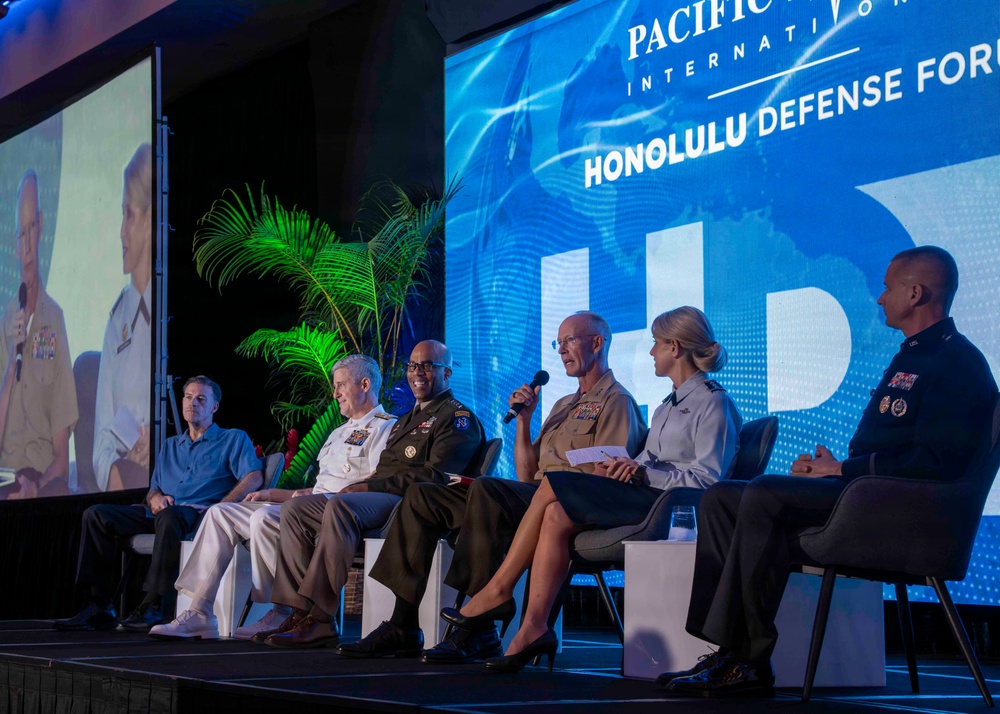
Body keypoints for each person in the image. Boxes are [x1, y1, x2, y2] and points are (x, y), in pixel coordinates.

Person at [661, 246, 998, 698]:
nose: (879, 299)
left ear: (915, 293)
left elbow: (938, 462)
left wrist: (843, 469)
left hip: (906, 513)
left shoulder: (955, 362)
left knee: (763, 493)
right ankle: (728, 650)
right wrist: (831, 469)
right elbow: (897, 447)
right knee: (722, 497)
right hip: (867, 491)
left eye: (887, 288)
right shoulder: (914, 355)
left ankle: (748, 658)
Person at [337, 311, 646, 661]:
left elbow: (604, 473)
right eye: (558, 343)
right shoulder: (563, 405)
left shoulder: (616, 401)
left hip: (568, 504)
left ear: (598, 342)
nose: (561, 350)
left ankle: (479, 627)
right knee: (422, 495)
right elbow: (528, 474)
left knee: (486, 489)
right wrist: (525, 422)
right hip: (536, 496)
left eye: (570, 341)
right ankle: (403, 623)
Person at [447, 306, 742, 672]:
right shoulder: (667, 407)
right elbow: (646, 461)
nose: (650, 351)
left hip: (667, 506)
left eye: (656, 344)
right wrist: (623, 466)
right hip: (642, 492)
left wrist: (642, 474)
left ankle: (499, 589)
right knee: (554, 512)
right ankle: (533, 628)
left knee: (553, 483)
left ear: (676, 348)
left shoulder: (715, 402)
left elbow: (709, 480)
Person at [254, 340, 486, 649]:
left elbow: (438, 476)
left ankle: (321, 619)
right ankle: (300, 611)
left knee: (340, 506)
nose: (417, 373)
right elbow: (384, 467)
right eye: (412, 366)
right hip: (381, 497)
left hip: (412, 504)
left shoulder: (457, 418)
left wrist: (368, 486)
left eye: (427, 365)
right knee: (295, 511)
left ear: (446, 373)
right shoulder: (406, 420)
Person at [148, 355, 396, 640]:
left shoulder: (385, 428)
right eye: (334, 386)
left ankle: (279, 610)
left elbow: (373, 485)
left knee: (264, 516)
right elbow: (313, 489)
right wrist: (273, 493)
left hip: (336, 515)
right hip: (306, 507)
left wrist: (309, 498)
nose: (335, 393)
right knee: (221, 512)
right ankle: (201, 611)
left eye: (340, 385)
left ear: (364, 384)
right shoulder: (338, 432)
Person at [53, 376, 263, 632]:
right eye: (188, 397)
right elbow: (155, 488)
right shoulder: (170, 446)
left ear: (214, 407)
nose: (192, 403)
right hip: (161, 513)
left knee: (171, 516)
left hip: (194, 514)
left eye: (201, 399)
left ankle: (156, 604)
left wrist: (220, 507)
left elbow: (254, 476)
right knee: (96, 515)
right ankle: (99, 605)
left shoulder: (232, 439)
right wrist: (154, 498)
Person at [0, 170, 78, 500]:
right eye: (21, 233)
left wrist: (37, 488)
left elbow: (62, 458)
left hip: (39, 480)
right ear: (15, 244)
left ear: (42, 228)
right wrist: (11, 365)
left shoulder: (54, 319)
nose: (28, 244)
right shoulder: (5, 321)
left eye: (32, 229)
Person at [93, 144, 154, 493]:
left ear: (149, 221)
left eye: (129, 215)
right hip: (124, 484)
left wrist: (156, 445)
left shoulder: (166, 315)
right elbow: (101, 439)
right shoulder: (118, 320)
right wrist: (122, 471)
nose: (121, 231)